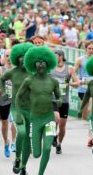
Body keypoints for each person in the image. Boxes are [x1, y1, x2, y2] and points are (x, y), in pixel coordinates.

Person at [17, 46, 61, 175]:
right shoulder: (28, 80)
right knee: (36, 153)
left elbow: (59, 97)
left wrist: (59, 101)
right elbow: (18, 97)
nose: (41, 64)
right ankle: (23, 163)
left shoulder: (53, 81)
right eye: (38, 62)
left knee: (47, 148)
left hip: (49, 119)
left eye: (43, 62)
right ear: (33, 64)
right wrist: (19, 113)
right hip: (34, 120)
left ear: (48, 63)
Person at [0, 42, 34, 173]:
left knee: (28, 138)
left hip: (31, 108)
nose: (23, 59)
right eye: (20, 56)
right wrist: (3, 93)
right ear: (16, 58)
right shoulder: (12, 72)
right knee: (22, 132)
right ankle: (18, 158)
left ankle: (24, 167)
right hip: (16, 107)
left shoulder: (33, 72)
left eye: (26, 56)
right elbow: (1, 79)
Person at [50, 50, 80, 154]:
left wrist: (68, 84)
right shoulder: (50, 68)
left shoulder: (69, 69)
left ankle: (59, 143)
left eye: (55, 55)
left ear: (61, 57)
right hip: (53, 98)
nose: (53, 57)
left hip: (64, 100)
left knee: (62, 125)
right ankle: (53, 136)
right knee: (56, 118)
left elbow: (77, 83)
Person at [0, 48, 13, 158]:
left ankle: (14, 142)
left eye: (11, 56)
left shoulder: (18, 69)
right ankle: (6, 142)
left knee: (15, 122)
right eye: (7, 56)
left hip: (15, 100)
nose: (9, 58)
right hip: (3, 100)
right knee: (5, 123)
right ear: (3, 57)